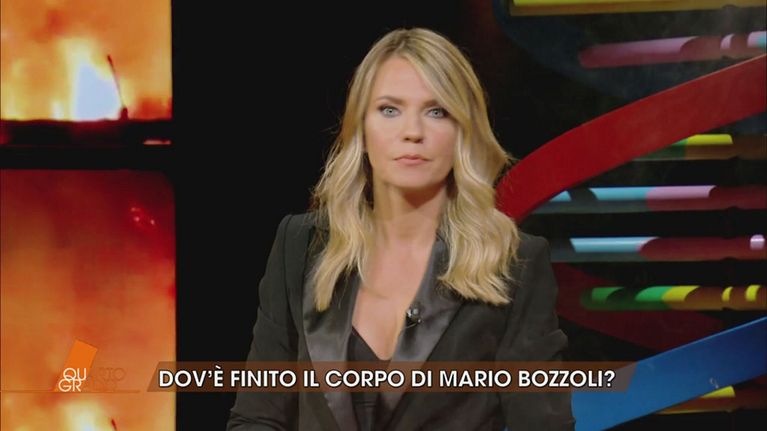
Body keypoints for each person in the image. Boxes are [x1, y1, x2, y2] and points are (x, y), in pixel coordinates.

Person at [227, 27, 574, 431]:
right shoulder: (301, 245)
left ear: (463, 131)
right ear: (361, 127)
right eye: (390, 110)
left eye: (437, 111)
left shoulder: (513, 264)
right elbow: (258, 416)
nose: (412, 132)